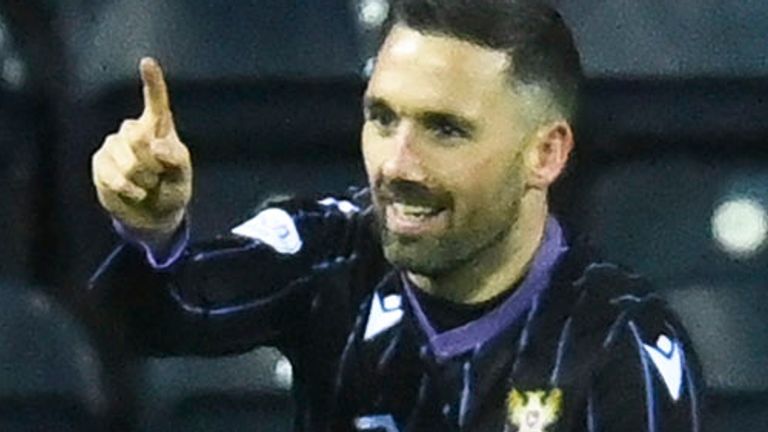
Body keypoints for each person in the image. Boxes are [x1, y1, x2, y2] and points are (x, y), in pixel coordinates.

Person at [89, 0, 702, 431]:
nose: (396, 164)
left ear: (545, 154)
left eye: (445, 129)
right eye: (382, 118)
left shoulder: (617, 342)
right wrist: (154, 230)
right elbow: (152, 319)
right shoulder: (330, 252)